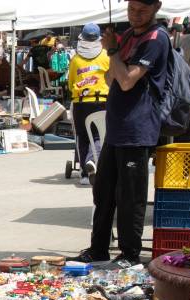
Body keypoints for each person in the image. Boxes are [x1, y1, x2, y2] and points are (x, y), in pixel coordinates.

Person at [78, 0, 169, 269]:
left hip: (138, 128)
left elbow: (127, 81)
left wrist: (113, 51)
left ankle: (130, 255)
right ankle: (98, 249)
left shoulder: (156, 38)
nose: (135, 15)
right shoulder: (128, 35)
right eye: (131, 9)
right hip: (117, 127)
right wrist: (115, 54)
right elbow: (110, 79)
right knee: (104, 192)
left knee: (130, 197)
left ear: (156, 7)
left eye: (142, 11)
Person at [67, 23, 109, 186]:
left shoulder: (75, 59)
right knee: (99, 135)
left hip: (81, 103)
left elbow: (70, 84)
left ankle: (84, 174)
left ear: (82, 38)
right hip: (102, 101)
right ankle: (93, 161)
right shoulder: (106, 56)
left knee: (82, 137)